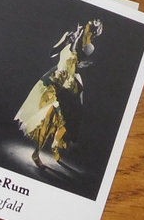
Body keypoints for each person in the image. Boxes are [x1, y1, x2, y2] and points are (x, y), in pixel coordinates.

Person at [14, 19, 103, 167]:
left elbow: (74, 58)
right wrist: (67, 39)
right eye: (91, 22)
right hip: (55, 77)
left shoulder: (89, 47)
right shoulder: (70, 35)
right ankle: (36, 152)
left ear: (94, 31)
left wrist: (75, 39)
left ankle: (56, 145)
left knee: (63, 119)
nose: (90, 23)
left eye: (93, 24)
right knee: (47, 115)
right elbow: (52, 53)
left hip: (69, 83)